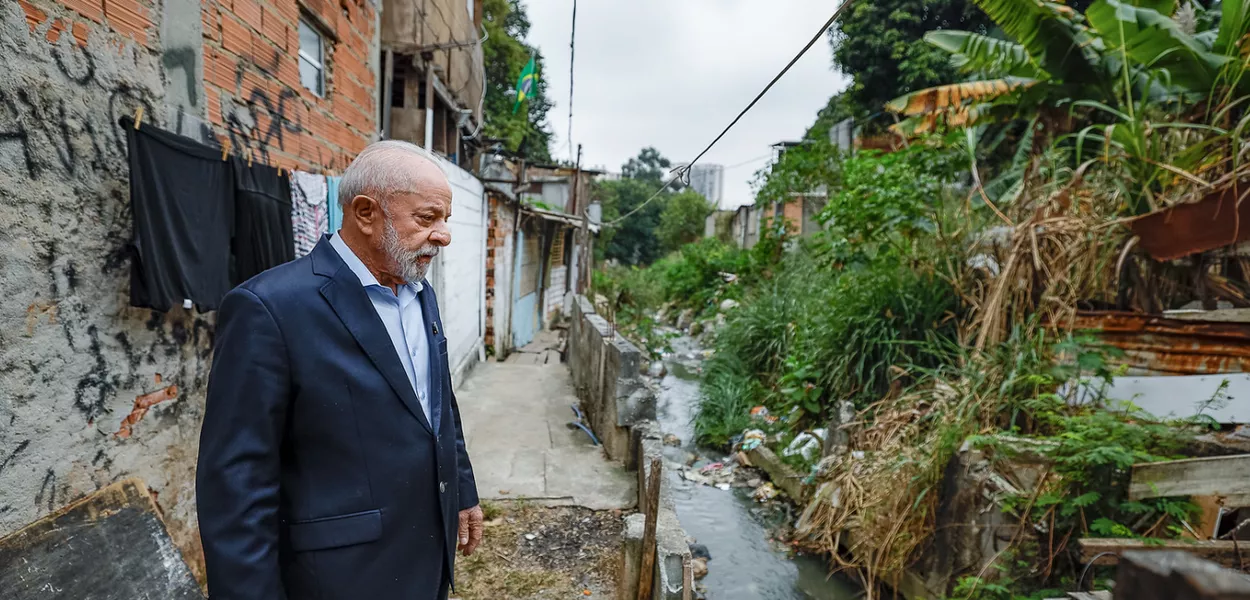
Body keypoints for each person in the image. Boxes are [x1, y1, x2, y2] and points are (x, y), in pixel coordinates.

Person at [197, 140, 483, 600]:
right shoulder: (269, 308)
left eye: (444, 220)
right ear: (366, 213)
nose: (444, 235)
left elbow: (437, 404)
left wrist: (462, 491)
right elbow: (236, 484)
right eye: (427, 219)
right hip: (338, 576)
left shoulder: (419, 291)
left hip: (424, 557)